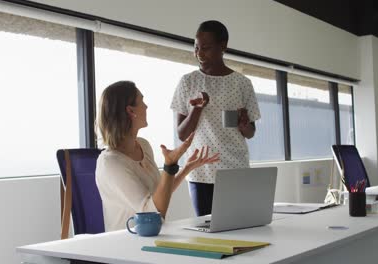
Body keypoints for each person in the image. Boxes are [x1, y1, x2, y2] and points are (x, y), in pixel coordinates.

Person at [96, 81, 219, 232]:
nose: (146, 106)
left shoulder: (143, 145)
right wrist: (169, 167)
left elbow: (160, 191)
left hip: (154, 236)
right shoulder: (111, 163)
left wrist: (187, 168)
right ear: (131, 111)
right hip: (127, 242)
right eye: (142, 101)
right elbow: (153, 215)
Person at [170, 20, 261, 216]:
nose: (199, 54)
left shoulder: (242, 83)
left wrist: (244, 125)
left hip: (235, 169)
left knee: (237, 228)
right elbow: (182, 134)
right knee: (207, 231)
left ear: (223, 46)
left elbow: (251, 133)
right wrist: (197, 109)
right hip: (200, 172)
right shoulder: (188, 82)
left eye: (206, 48)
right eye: (196, 47)